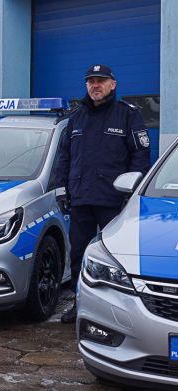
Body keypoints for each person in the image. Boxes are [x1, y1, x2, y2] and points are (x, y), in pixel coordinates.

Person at [55, 64, 151, 323]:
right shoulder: (76, 118)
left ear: (113, 84)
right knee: (78, 255)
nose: (95, 86)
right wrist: (63, 190)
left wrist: (131, 191)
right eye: (90, 82)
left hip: (114, 201)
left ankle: (117, 311)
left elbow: (140, 157)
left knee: (116, 259)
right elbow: (64, 157)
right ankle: (79, 304)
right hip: (81, 199)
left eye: (101, 81)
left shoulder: (127, 115)